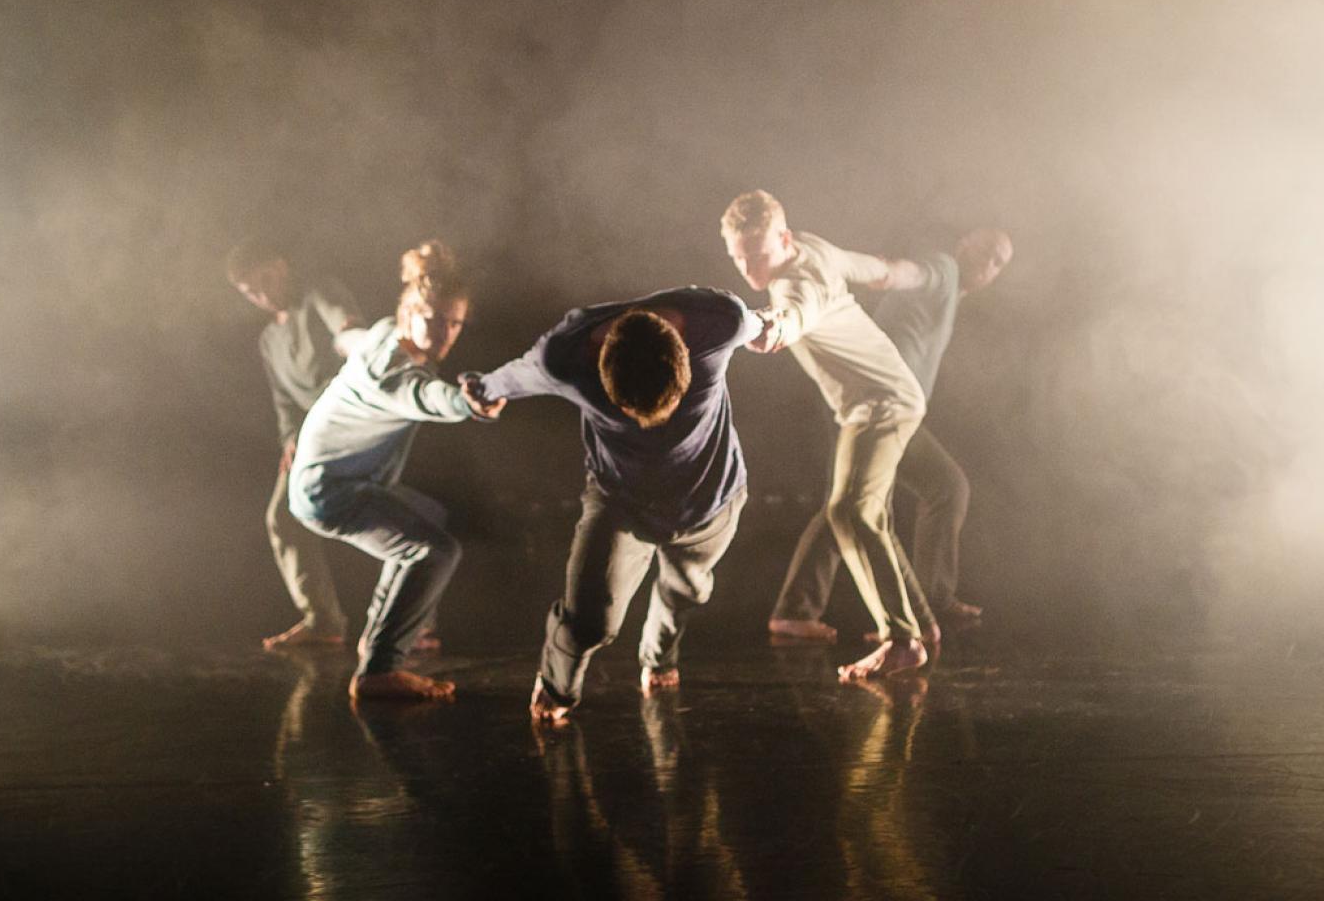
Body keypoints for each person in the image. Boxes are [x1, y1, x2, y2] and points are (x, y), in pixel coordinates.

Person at [461, 287, 759, 722]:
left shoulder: (718, 322)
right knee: (589, 619)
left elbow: (762, 322)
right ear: (600, 368)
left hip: (711, 497)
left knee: (687, 588)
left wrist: (781, 322)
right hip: (623, 500)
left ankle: (658, 658)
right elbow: (516, 376)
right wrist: (481, 390)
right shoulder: (564, 358)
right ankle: (557, 687)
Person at [721, 190, 932, 683]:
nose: (751, 270)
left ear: (784, 239)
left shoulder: (797, 281)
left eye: (759, 256)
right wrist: (913, 275)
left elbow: (795, 315)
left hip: (881, 403)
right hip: (879, 401)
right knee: (862, 511)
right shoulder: (813, 248)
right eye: (739, 258)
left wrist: (771, 329)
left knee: (852, 510)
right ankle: (918, 628)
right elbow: (872, 269)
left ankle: (902, 641)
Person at [768, 227, 1012, 641]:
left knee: (862, 502)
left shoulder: (950, 295)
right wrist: (888, 273)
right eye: (986, 250)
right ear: (965, 243)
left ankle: (803, 610)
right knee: (873, 501)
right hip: (877, 406)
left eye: (998, 262)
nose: (989, 264)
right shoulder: (945, 271)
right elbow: (916, 273)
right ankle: (907, 615)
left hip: (891, 411)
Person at [289, 241, 503, 702]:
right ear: (408, 313)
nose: (444, 333)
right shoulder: (395, 373)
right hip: (331, 492)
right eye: (433, 320)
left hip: (332, 481)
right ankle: (379, 669)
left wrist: (342, 336)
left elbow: (352, 338)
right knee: (437, 552)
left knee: (428, 517)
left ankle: (384, 634)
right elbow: (429, 397)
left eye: (454, 323)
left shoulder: (383, 334)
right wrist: (468, 402)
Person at [229, 243, 368, 652]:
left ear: (282, 265)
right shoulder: (269, 339)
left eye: (266, 281)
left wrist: (352, 334)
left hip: (348, 420)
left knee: (376, 512)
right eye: (251, 292)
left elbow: (347, 324)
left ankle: (417, 623)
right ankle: (323, 621)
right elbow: (283, 401)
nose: (263, 296)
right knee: (283, 519)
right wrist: (290, 439)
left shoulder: (319, 294)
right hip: (308, 435)